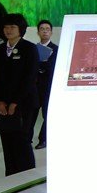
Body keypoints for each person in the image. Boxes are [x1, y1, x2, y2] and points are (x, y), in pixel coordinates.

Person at [0, 13, 39, 176]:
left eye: (12, 27)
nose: (8, 30)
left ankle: (27, 178)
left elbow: (29, 78)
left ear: (20, 29)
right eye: (6, 27)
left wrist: (15, 102)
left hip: (24, 103)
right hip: (3, 105)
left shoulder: (29, 48)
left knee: (22, 140)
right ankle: (10, 177)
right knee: (7, 141)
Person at [32, 20, 58, 150]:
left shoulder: (56, 49)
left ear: (51, 32)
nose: (45, 31)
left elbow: (53, 67)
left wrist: (42, 64)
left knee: (47, 114)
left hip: (49, 86)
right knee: (31, 113)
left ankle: (43, 139)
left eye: (47, 29)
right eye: (42, 29)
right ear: (38, 32)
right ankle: (27, 137)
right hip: (35, 86)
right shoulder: (33, 49)